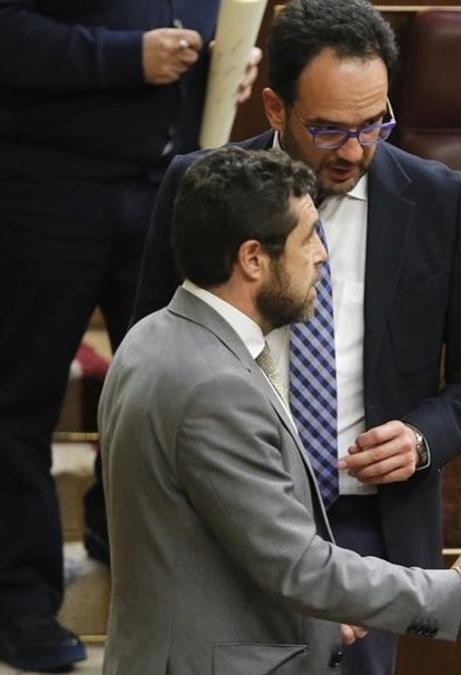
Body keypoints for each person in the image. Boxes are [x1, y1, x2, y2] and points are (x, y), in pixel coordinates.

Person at [130, 0, 461, 672]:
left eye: (375, 125)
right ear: (276, 109)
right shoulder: (200, 186)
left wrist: (424, 437)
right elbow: (162, 344)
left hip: (372, 522)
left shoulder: (440, 199)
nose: (355, 150)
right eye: (331, 129)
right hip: (232, 514)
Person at [0, 1, 260, 670]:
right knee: (20, 401)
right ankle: (22, 600)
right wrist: (127, 58)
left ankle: (114, 528)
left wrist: (222, 66)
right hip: (48, 184)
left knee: (169, 395)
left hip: (171, 181)